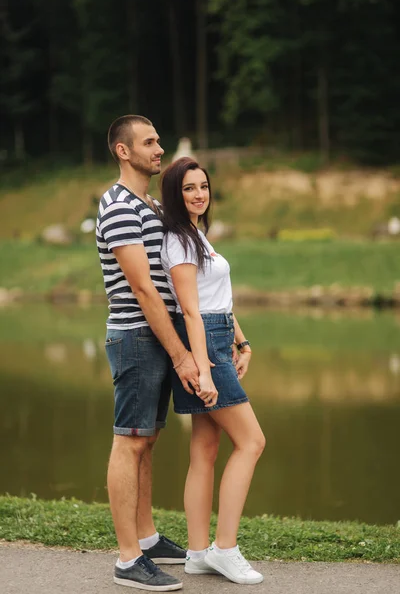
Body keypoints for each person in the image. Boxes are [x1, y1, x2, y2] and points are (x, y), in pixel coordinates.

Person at [96, 115, 201, 591]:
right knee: (130, 440)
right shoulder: (118, 205)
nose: (159, 149)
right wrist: (181, 354)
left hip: (154, 337)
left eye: (159, 141)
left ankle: (147, 537)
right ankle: (127, 560)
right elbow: (142, 288)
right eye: (150, 142)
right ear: (124, 151)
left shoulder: (151, 204)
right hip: (138, 334)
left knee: (148, 440)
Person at [160, 157, 266, 585]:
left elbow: (219, 299)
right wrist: (203, 367)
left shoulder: (197, 235)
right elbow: (190, 309)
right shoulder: (179, 241)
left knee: (204, 450)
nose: (199, 194)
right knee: (253, 441)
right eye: (189, 188)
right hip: (203, 345)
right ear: (175, 193)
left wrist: (242, 342)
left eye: (203, 186)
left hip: (220, 337)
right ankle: (225, 549)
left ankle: (198, 553)